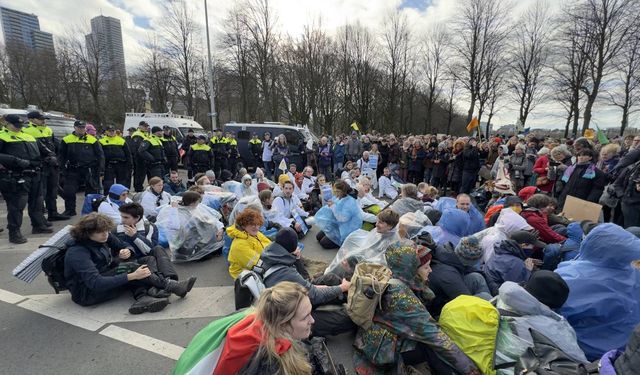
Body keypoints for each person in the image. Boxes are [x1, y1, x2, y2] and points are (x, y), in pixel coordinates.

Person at [353, 242, 480, 375]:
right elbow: (436, 337)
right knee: (432, 346)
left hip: (372, 338)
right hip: (380, 352)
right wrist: (471, 370)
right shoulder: (402, 298)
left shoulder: (393, 274)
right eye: (426, 267)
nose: (430, 270)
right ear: (412, 269)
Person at [64, 213, 196, 313]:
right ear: (87, 233)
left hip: (104, 272)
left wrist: (127, 250)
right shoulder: (77, 253)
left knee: (147, 260)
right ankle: (167, 286)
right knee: (131, 268)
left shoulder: (103, 236)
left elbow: (124, 244)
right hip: (87, 293)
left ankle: (147, 293)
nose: (105, 234)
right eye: (100, 232)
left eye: (106, 230)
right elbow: (96, 283)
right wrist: (132, 276)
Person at [556, 224, 640, 361]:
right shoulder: (634, 274)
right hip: (625, 353)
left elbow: (551, 316)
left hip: (585, 354)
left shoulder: (571, 278)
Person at [259, 228, 354, 338]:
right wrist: (341, 287)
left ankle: (351, 298)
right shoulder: (284, 271)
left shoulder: (273, 254)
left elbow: (306, 281)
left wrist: (297, 259)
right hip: (287, 317)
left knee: (330, 279)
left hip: (291, 299)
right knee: (346, 319)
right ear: (292, 247)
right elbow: (315, 295)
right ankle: (351, 305)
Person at [491, 273, 587, 373]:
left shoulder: (504, 297)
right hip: (520, 369)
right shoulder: (550, 326)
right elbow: (578, 360)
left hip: (494, 364)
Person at [211, 282, 315, 374]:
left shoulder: (261, 320)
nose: (312, 320)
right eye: (305, 317)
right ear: (282, 325)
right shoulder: (273, 365)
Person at [0, 114, 52, 243]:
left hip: (34, 173)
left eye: (20, 125)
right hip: (16, 176)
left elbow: (42, 150)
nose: (18, 128)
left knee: (37, 202)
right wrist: (15, 160)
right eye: (15, 125)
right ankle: (14, 232)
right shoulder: (2, 136)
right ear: (6, 124)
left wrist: (49, 156)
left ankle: (38, 225)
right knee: (17, 206)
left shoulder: (28, 135)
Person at [23, 111, 69, 221]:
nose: (43, 121)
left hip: (52, 165)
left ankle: (53, 213)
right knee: (40, 194)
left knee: (52, 191)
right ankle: (40, 218)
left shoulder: (48, 129)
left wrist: (59, 158)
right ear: (31, 119)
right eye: (40, 119)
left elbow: (55, 145)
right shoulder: (26, 131)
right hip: (40, 165)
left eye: (44, 119)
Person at [428, 236, 491, 316]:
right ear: (469, 262)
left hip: (445, 294)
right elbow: (466, 302)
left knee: (476, 277)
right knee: (485, 297)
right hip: (439, 309)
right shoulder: (449, 274)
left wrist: (496, 290)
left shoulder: (451, 255)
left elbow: (475, 270)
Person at [59, 120, 104, 217]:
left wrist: (100, 170)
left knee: (91, 192)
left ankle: (92, 210)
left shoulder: (92, 140)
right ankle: (70, 210)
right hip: (73, 169)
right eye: (79, 127)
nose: (82, 129)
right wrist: (62, 169)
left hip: (89, 169)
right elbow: (62, 156)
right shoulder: (67, 139)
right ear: (75, 128)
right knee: (69, 191)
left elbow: (100, 156)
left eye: (83, 127)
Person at [484, 230, 546, 295]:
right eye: (532, 246)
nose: (533, 249)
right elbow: (519, 287)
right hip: (499, 295)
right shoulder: (514, 263)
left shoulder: (501, 250)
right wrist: (528, 270)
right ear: (524, 245)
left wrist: (523, 260)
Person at [315, 179, 363, 249]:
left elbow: (343, 218)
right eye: (335, 191)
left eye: (338, 191)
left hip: (346, 229)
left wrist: (332, 206)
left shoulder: (350, 201)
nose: (336, 193)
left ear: (343, 191)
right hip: (338, 225)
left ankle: (343, 241)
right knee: (318, 237)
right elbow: (335, 206)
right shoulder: (340, 196)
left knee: (323, 243)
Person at [226, 208, 271, 279]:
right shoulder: (239, 244)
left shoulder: (255, 234)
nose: (256, 227)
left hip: (258, 268)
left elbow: (270, 246)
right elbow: (257, 264)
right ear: (243, 225)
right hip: (245, 277)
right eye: (252, 225)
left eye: (258, 224)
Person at [99, 125, 132, 194]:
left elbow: (128, 154)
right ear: (106, 132)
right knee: (108, 184)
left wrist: (130, 165)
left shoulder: (121, 140)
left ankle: (122, 198)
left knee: (122, 183)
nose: (111, 132)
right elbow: (100, 155)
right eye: (109, 131)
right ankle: (108, 198)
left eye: (113, 131)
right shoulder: (101, 141)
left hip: (121, 165)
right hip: (108, 165)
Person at [131, 121, 150, 192]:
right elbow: (137, 148)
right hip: (139, 158)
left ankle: (139, 187)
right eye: (144, 126)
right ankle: (138, 188)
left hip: (143, 158)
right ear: (140, 126)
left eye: (147, 126)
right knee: (139, 174)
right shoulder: (137, 135)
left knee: (142, 174)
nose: (146, 127)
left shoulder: (144, 134)